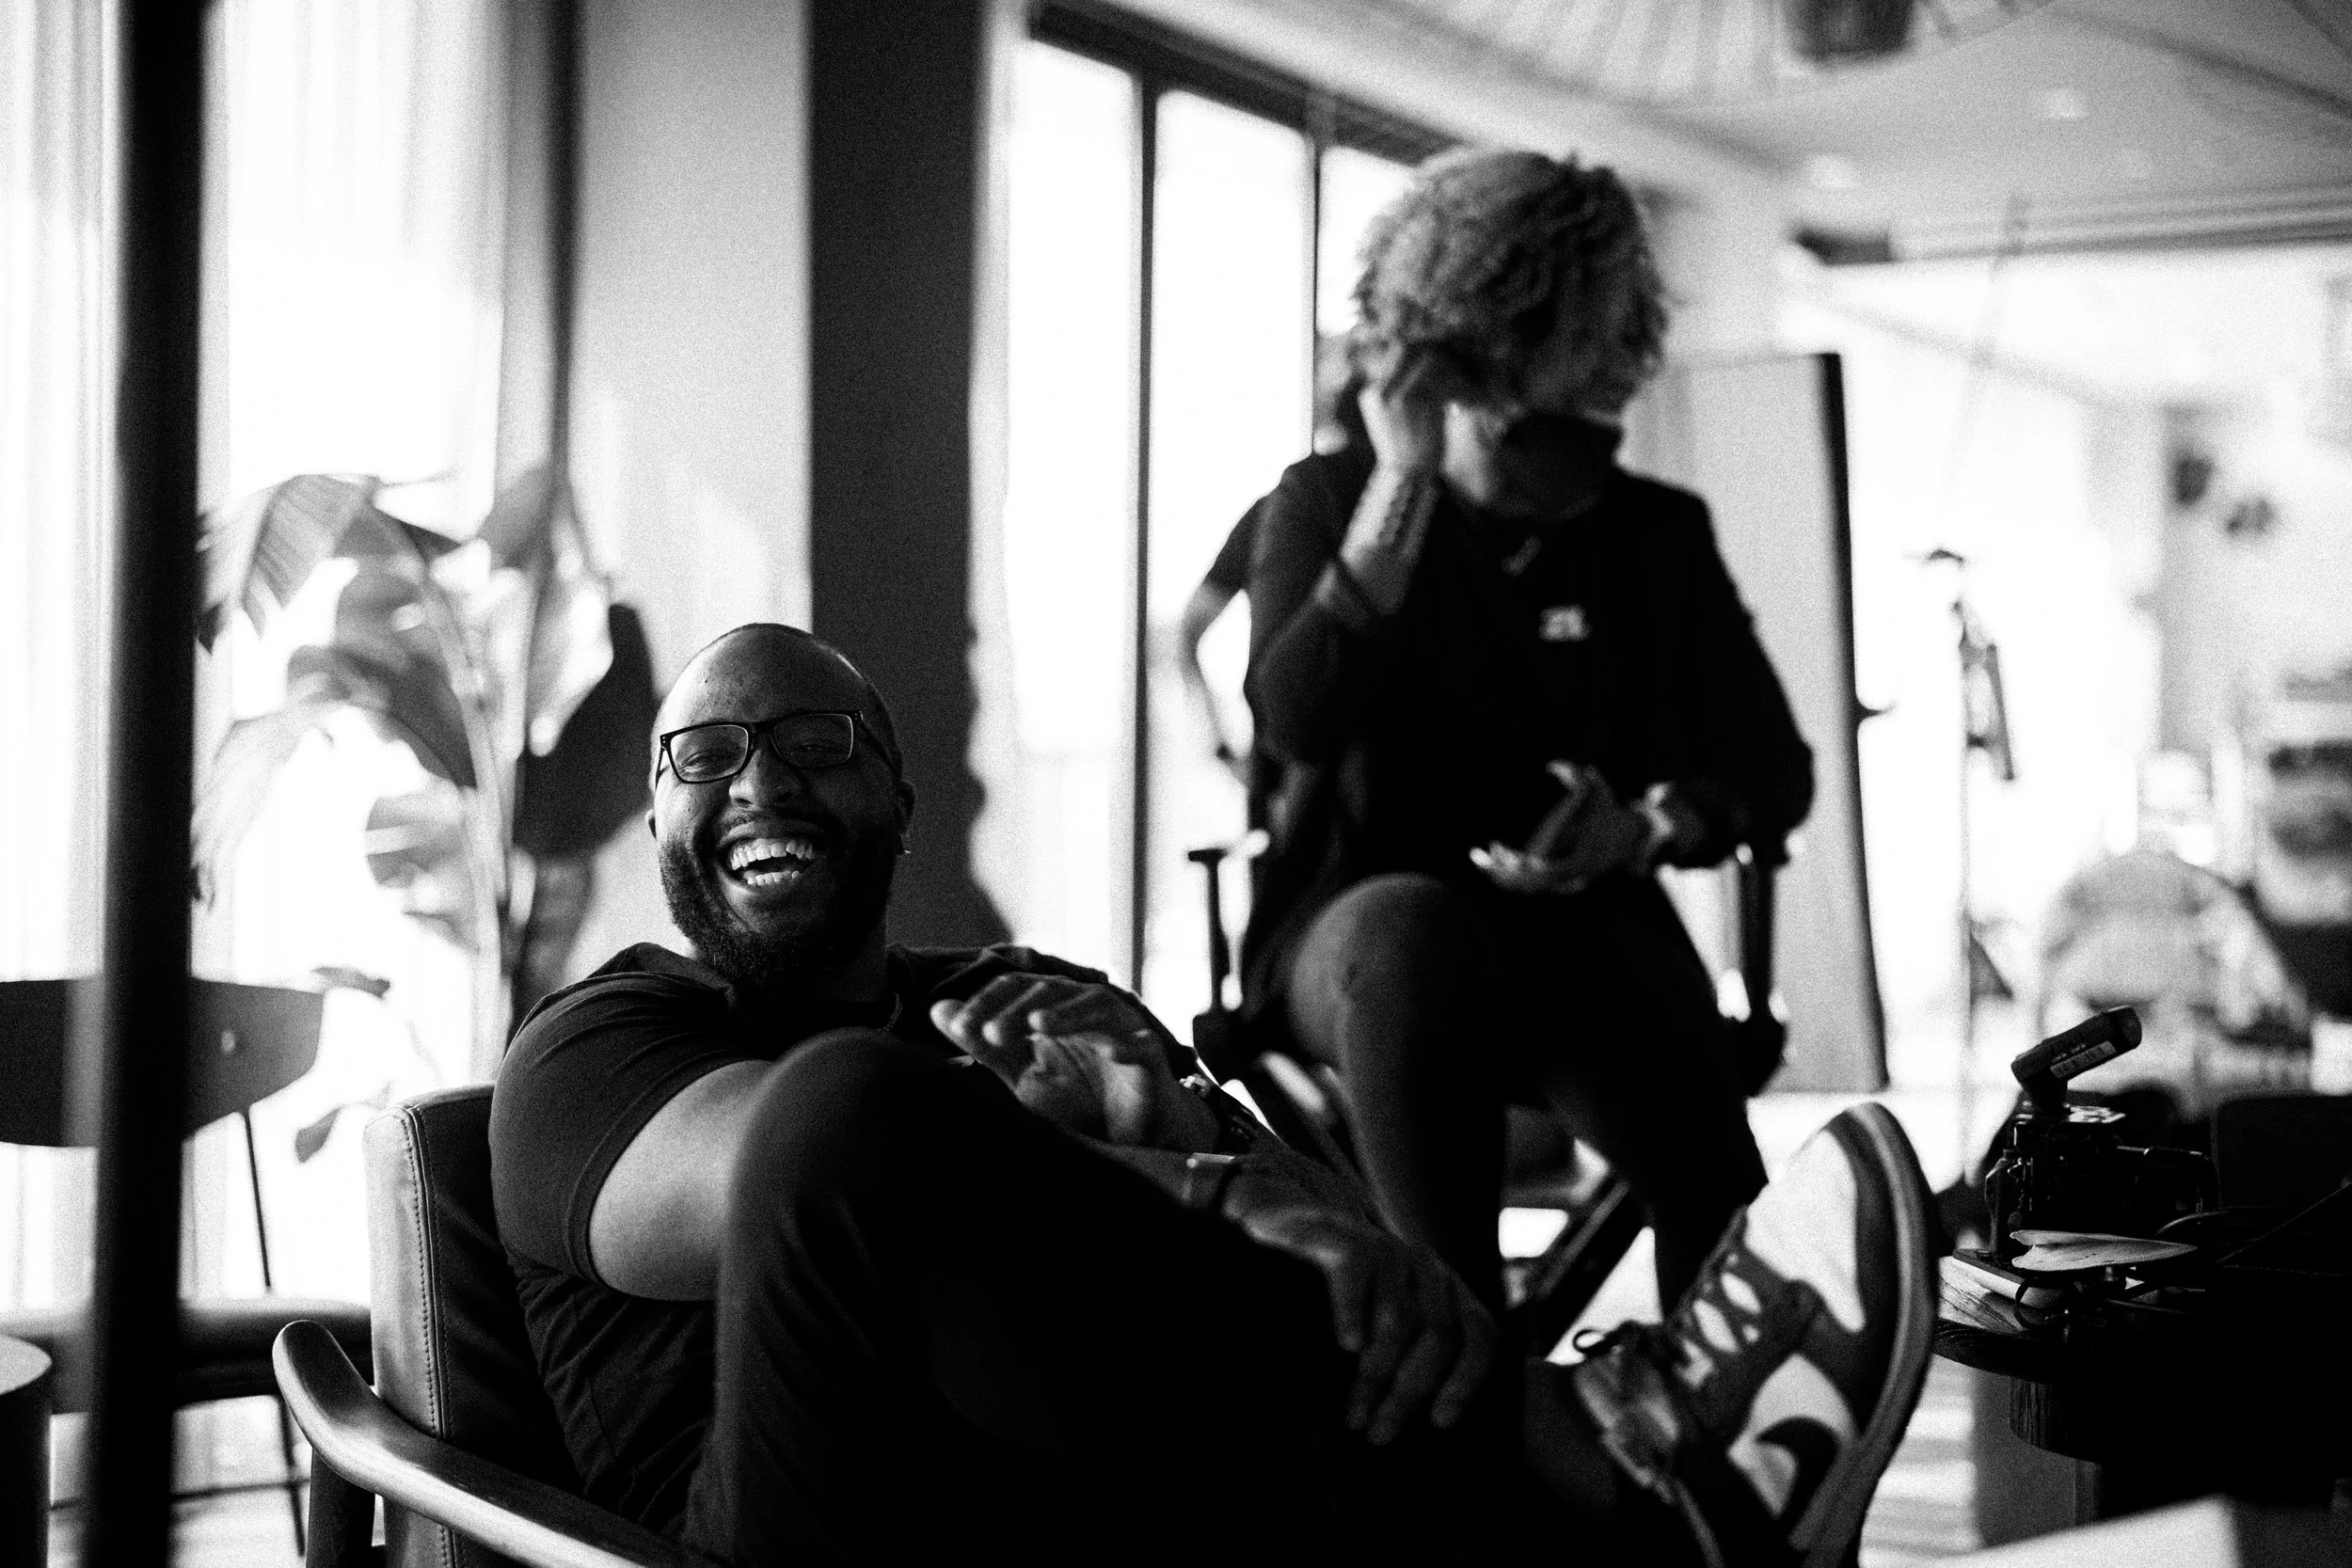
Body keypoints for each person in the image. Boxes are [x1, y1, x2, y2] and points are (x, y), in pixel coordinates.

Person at [488, 622, 1935, 1566]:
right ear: (665, 811)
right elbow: (796, 1184)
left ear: (903, 794)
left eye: (819, 744)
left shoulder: (1025, 989)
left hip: (1092, 1511)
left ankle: (1626, 1497)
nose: (761, 781)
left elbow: (1340, 1241)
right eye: (706, 755)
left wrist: (1196, 1140)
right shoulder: (593, 1045)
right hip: (799, 1523)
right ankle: (1607, 1462)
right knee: (839, 1114)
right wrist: (1151, 1167)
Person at [1240, 151, 1815, 1315]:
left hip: (1576, 928)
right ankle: (1460, 1352)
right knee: (1417, 932)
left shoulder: (1652, 534)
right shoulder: (1325, 504)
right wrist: (1400, 489)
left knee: (1668, 1051)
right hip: (1354, 930)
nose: (1569, 453)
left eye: (1590, 412)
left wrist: (1647, 826)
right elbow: (1294, 715)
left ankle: (1733, 1408)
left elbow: (1770, 768)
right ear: (1467, 371)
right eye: (1523, 419)